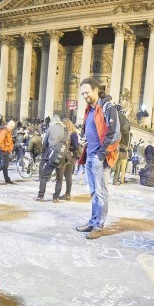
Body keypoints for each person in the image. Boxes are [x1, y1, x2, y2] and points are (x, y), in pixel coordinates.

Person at [75, 78, 120, 239]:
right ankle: (93, 222)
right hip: (90, 155)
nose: (84, 95)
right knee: (94, 193)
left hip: (99, 158)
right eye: (82, 93)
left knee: (101, 194)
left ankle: (99, 226)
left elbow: (115, 135)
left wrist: (101, 155)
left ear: (96, 90)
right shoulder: (90, 109)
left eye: (87, 92)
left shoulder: (107, 107)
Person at [36, 115, 69, 202]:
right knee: (59, 179)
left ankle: (41, 196)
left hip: (51, 155)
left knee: (44, 177)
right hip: (62, 157)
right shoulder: (65, 130)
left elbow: (45, 142)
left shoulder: (50, 128)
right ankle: (56, 197)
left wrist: (44, 152)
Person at [58, 120, 80, 200]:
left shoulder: (73, 134)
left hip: (71, 156)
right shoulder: (67, 133)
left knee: (68, 175)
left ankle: (68, 194)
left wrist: (67, 148)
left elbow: (76, 146)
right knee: (66, 175)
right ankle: (67, 193)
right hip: (67, 156)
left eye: (64, 125)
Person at [0, 120, 15, 185]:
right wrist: (5, 149)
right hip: (4, 150)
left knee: (5, 166)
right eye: (11, 126)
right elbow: (0, 141)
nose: (12, 128)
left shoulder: (9, 131)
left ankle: (7, 179)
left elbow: (10, 142)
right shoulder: (4, 131)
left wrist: (10, 149)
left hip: (7, 150)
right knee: (4, 165)